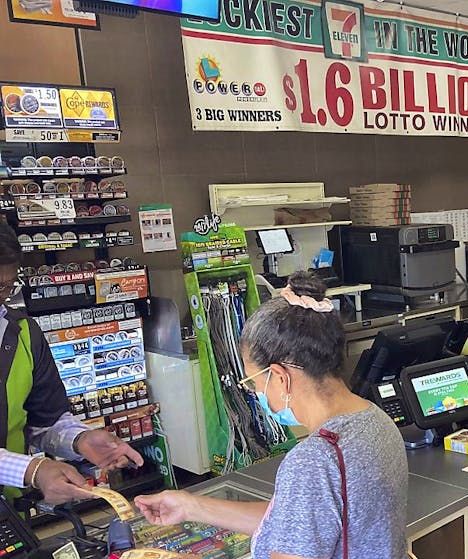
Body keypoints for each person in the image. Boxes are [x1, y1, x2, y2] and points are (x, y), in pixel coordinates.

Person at [136, 272, 407, 559]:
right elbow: (295, 524)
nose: (255, 392)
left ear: (280, 377)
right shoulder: (375, 419)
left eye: (253, 381)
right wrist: (191, 507)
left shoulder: (314, 460)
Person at [0, 221, 143, 504]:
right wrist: (32, 469)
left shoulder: (24, 334)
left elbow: (45, 420)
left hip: (9, 508)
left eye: (3, 287)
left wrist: (79, 440)